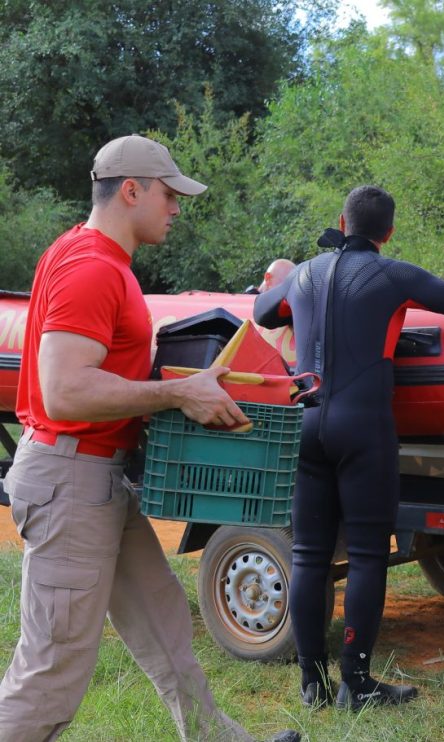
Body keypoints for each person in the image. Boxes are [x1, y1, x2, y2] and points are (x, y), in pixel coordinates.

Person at [0, 135, 298, 742]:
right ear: (130, 190)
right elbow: (66, 393)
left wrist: (189, 386)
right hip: (71, 482)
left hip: (99, 479)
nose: (176, 207)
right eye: (168, 194)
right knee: (50, 671)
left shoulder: (87, 254)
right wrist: (175, 393)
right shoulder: (91, 268)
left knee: (165, 625)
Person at [254, 186, 444, 711]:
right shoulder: (394, 275)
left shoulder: (306, 274)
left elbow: (264, 312)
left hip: (309, 424)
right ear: (389, 232)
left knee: (310, 557)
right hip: (363, 430)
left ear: (341, 220)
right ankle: (355, 684)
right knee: (365, 557)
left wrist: (294, 292)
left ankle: (311, 685)